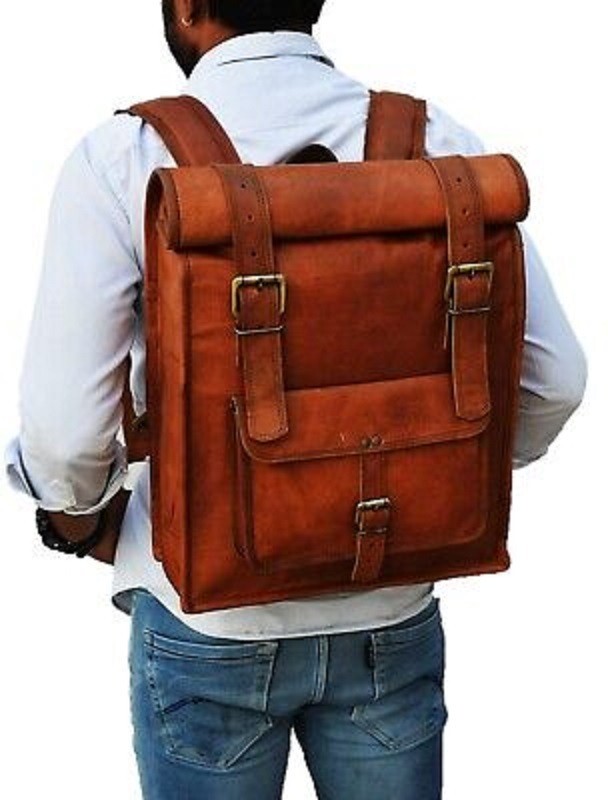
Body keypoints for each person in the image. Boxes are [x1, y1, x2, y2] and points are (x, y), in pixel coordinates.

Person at [3, 1, 588, 798]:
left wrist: (75, 521)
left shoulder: (125, 156)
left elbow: (66, 435)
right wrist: (440, 476)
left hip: (208, 625)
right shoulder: (436, 144)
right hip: (390, 617)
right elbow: (556, 378)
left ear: (186, 7)